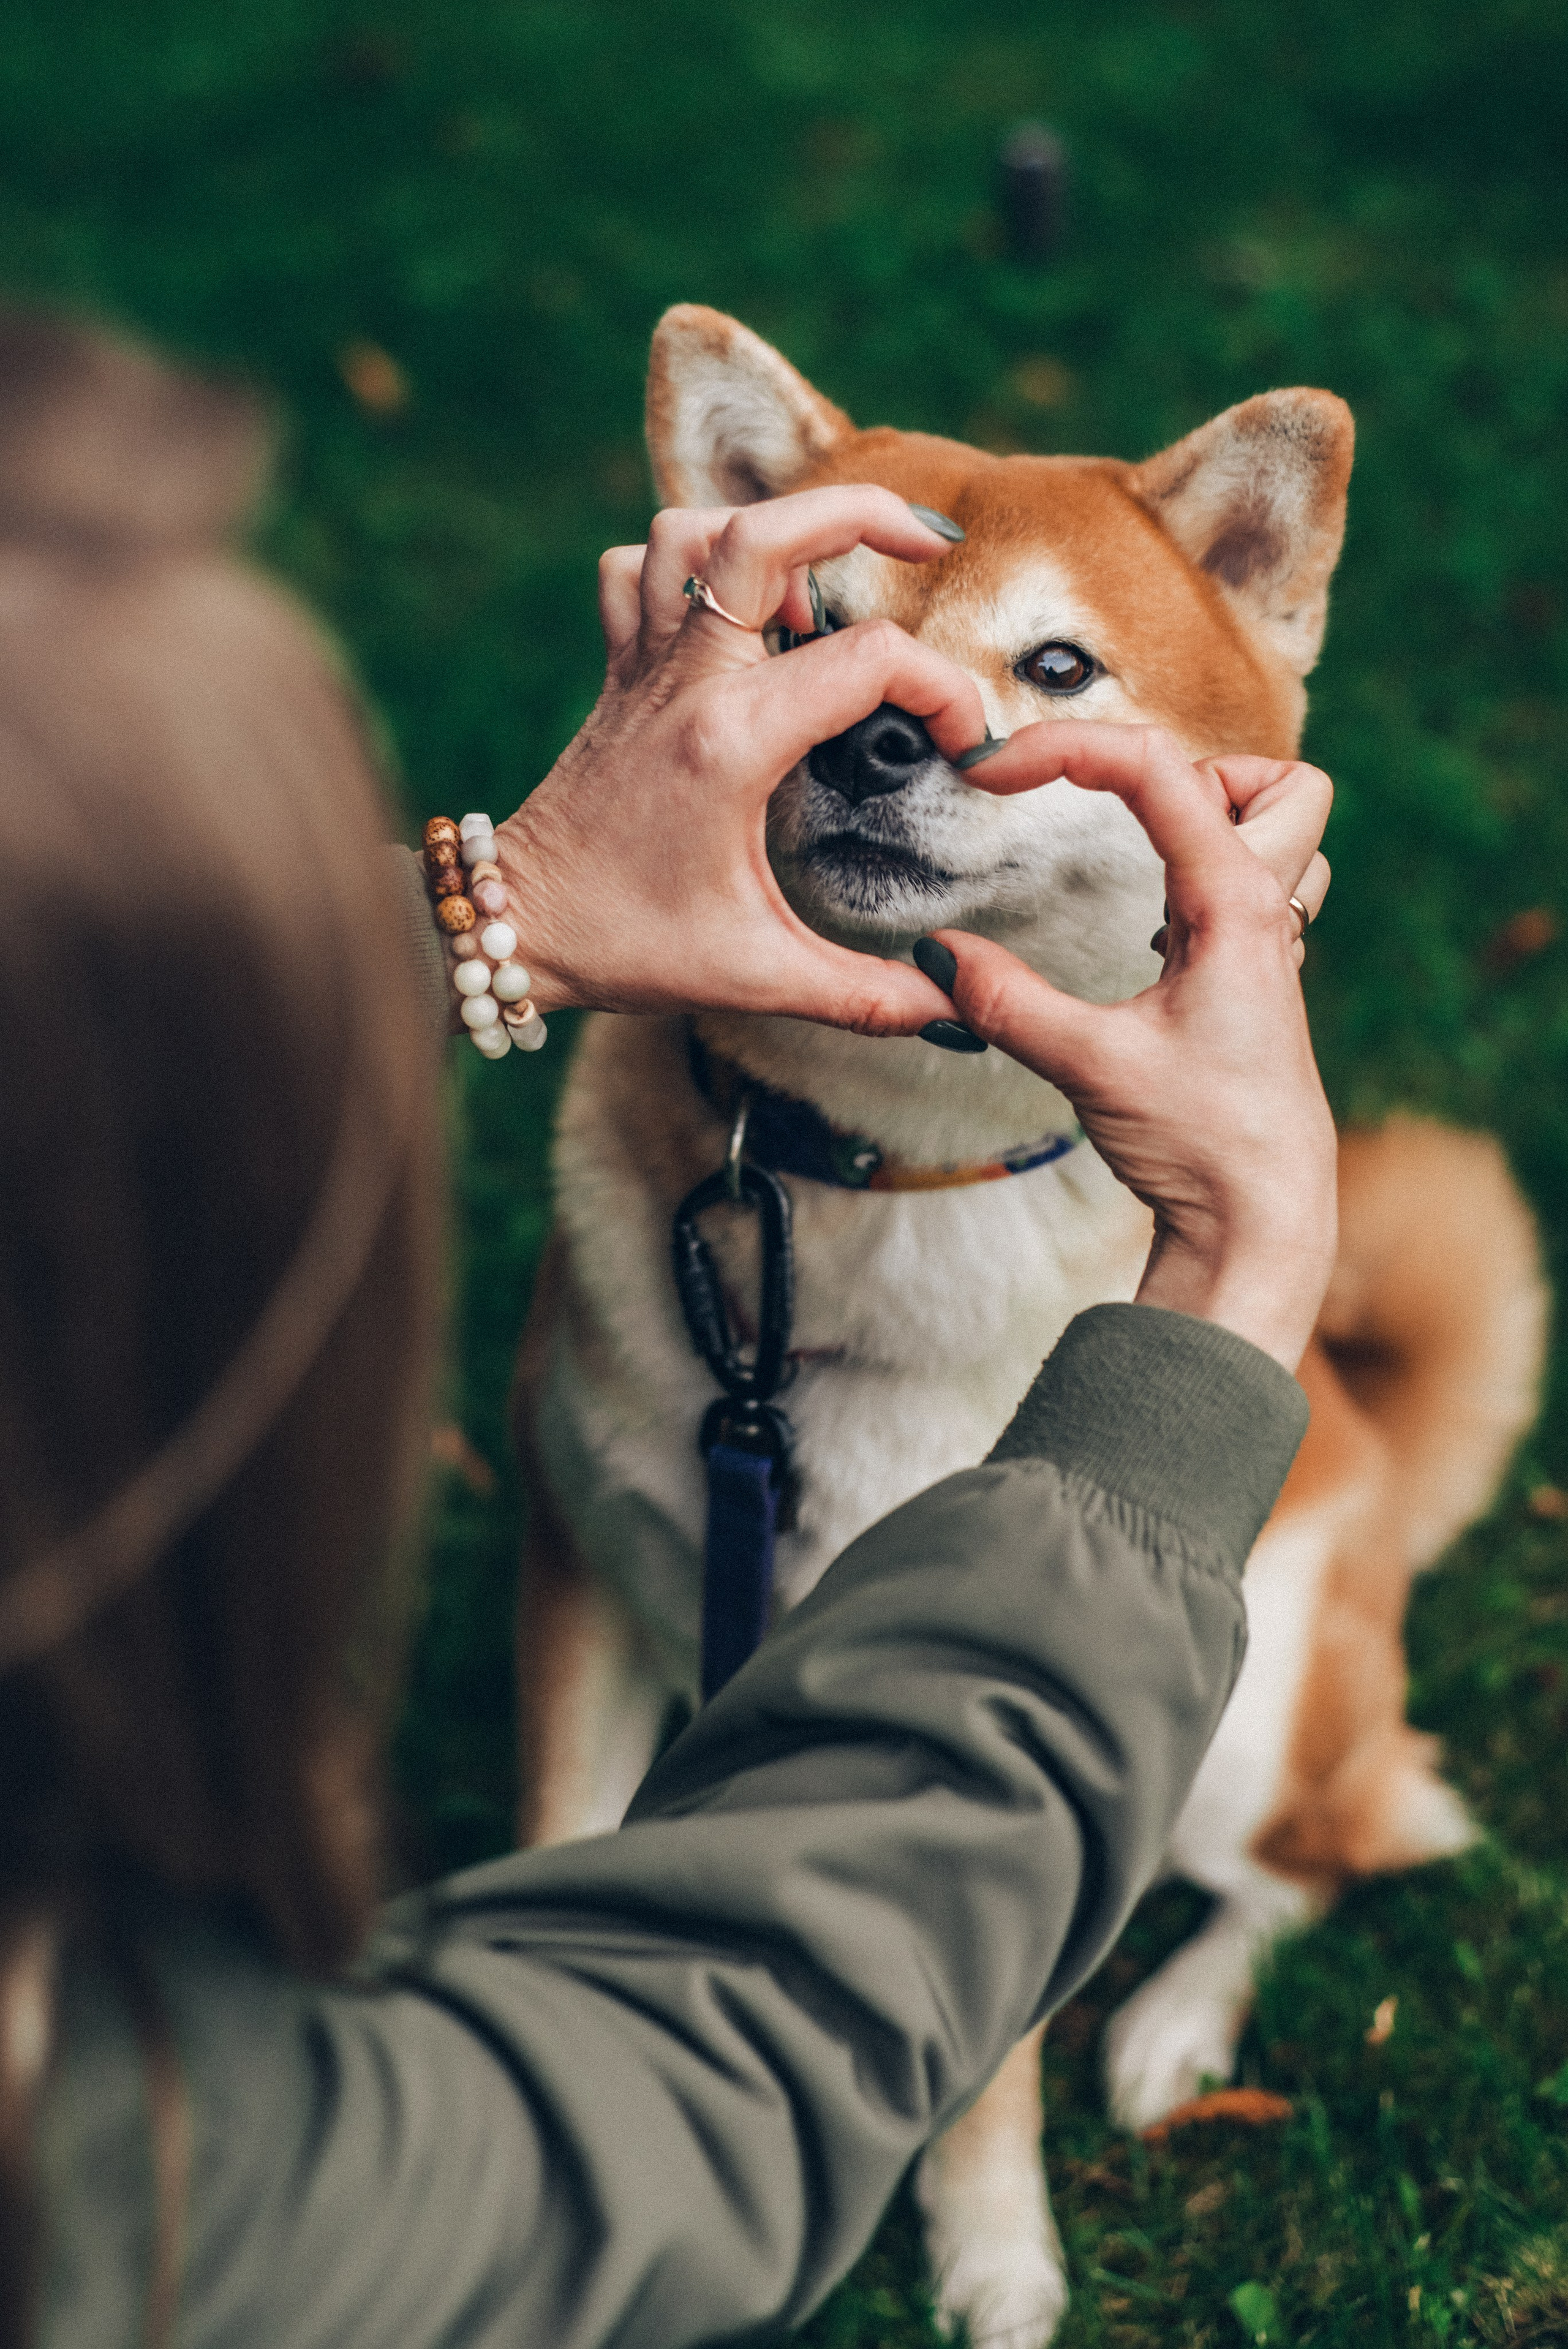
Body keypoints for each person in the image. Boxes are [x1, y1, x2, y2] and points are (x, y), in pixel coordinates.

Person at [0, 312, 1334, 2349]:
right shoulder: (193, 2186)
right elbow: (726, 2079)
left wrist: (506, 903)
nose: (911, 731)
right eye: (842, 657)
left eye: (1049, 672)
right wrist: (1241, 1257)